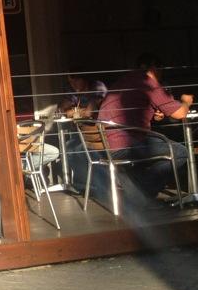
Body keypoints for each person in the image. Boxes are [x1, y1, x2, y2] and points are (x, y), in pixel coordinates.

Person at [73, 53, 191, 205]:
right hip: (125, 144)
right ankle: (142, 193)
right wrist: (186, 102)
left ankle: (138, 193)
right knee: (180, 152)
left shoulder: (124, 80)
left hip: (106, 145)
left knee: (153, 149)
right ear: (155, 69)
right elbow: (180, 113)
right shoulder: (148, 82)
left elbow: (135, 109)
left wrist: (156, 114)